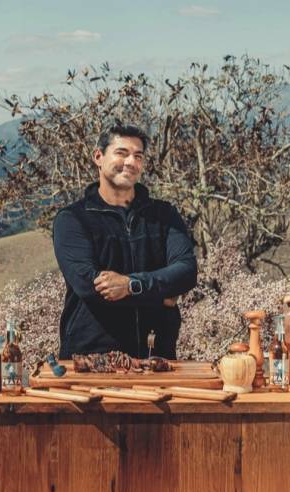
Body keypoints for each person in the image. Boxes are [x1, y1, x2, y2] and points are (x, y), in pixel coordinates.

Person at [52, 124, 198, 360]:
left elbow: (187, 272)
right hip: (90, 359)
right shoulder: (73, 220)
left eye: (138, 156)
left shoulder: (163, 215)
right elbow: (89, 287)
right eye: (122, 153)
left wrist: (131, 285)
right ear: (98, 157)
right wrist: (160, 293)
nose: (131, 162)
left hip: (157, 357)